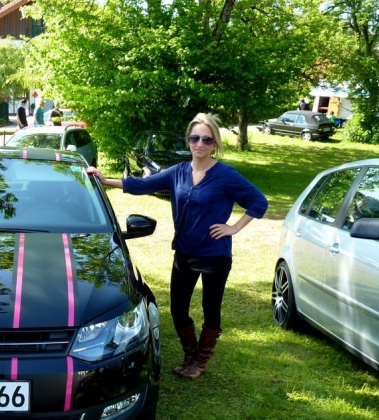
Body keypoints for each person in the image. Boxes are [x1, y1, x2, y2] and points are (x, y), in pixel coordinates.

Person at [86, 113, 268, 379]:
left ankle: (200, 361)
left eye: (207, 139)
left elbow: (258, 202)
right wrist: (105, 180)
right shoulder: (179, 172)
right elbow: (142, 185)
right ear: (188, 141)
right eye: (195, 138)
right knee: (178, 308)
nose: (200, 144)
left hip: (215, 255)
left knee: (210, 308)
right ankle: (189, 354)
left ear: (215, 143)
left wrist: (233, 227)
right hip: (184, 251)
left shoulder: (226, 175)